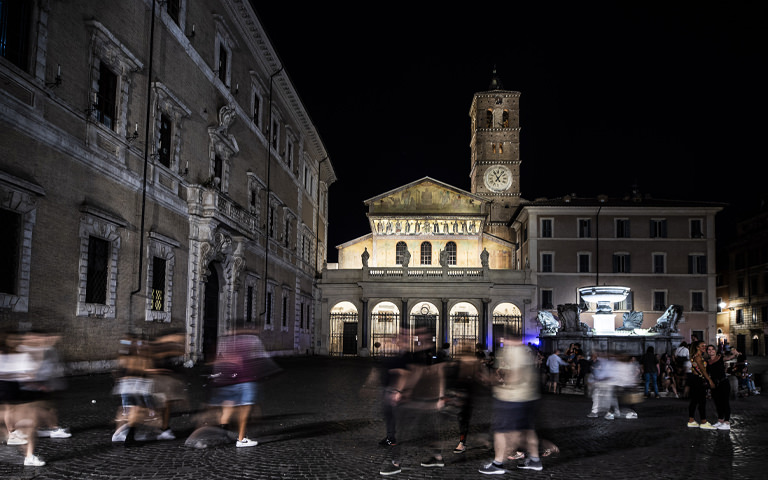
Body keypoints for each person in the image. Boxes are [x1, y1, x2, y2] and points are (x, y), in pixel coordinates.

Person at [379, 329, 447, 476]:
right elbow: (408, 375)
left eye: (422, 336)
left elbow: (438, 376)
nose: (419, 338)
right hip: (416, 398)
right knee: (417, 430)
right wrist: (399, 390)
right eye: (418, 336)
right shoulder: (414, 355)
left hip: (425, 399)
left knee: (417, 431)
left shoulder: (434, 355)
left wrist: (441, 397)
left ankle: (396, 463)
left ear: (429, 339)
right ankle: (436, 457)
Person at [479, 341, 543, 474]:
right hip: (529, 396)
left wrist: (494, 381)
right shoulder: (527, 352)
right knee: (528, 429)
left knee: (502, 431)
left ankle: (498, 463)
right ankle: (535, 460)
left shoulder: (514, 352)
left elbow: (516, 376)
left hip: (512, 397)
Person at [208, 330, 269, 447]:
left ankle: (223, 435)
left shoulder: (229, 342)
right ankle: (241, 439)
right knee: (244, 411)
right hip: (245, 380)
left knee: (228, 407)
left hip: (230, 380)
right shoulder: (252, 341)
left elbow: (222, 360)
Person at [706, 344, 739, 430]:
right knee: (717, 403)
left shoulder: (720, 357)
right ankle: (720, 421)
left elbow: (729, 358)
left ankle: (727, 422)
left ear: (715, 350)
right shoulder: (708, 362)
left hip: (723, 383)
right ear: (707, 352)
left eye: (712, 349)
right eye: (709, 350)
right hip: (714, 385)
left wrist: (735, 354)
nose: (711, 351)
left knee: (725, 403)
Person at [686, 340, 716, 429]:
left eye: (705, 346)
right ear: (697, 347)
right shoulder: (698, 357)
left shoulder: (697, 356)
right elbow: (703, 370)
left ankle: (691, 420)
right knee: (702, 401)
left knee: (694, 401)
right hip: (698, 380)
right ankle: (703, 422)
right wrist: (710, 380)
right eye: (702, 346)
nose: (704, 348)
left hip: (695, 380)